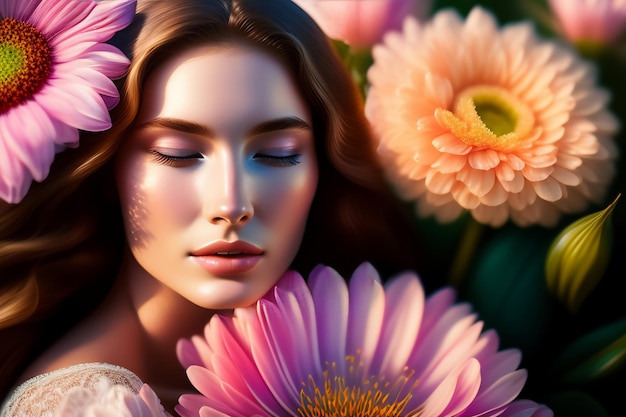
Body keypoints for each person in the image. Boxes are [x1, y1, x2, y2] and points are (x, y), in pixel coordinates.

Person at [0, 0, 427, 414]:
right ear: (109, 168)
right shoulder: (80, 407)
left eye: (277, 153)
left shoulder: (362, 365)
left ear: (324, 167)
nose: (232, 204)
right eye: (179, 153)